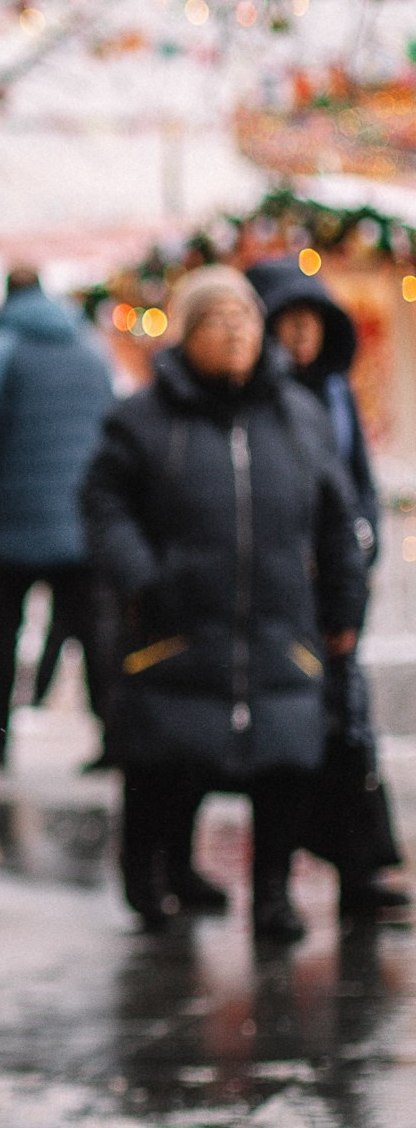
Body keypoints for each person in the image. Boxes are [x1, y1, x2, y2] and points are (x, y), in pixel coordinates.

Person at [80, 263, 367, 944]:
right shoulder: (142, 418)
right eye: (215, 319)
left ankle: (273, 895)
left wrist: (344, 606)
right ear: (186, 333)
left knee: (286, 762)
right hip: (177, 624)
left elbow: (337, 519)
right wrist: (142, 578)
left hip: (280, 627)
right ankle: (150, 874)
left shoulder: (298, 416)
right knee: (165, 756)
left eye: (244, 318)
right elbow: (104, 504)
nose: (235, 332)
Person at [247, 258, 412, 924]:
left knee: (348, 730)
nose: (300, 335)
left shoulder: (335, 394)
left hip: (333, 590)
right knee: (285, 740)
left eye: (311, 322)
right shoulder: (255, 399)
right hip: (278, 594)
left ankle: (360, 868)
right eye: (287, 322)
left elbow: (357, 487)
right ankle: (273, 885)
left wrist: (358, 556)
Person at [0, 264, 117, 767]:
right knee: (92, 633)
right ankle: (114, 739)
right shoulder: (92, 349)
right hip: (80, 520)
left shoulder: (2, 349)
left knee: (3, 633)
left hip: (14, 519)